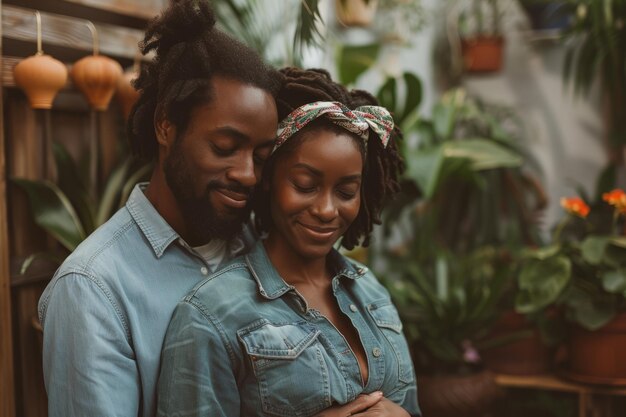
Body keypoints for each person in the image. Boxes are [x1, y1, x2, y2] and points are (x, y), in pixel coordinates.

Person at [37, 1, 282, 416]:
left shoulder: (258, 247)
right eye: (225, 148)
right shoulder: (93, 291)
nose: (248, 174)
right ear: (166, 125)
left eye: (261, 156)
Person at [157, 67, 420, 417]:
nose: (327, 210)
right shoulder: (211, 314)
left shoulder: (370, 293)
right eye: (305, 185)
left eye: (345, 191)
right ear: (269, 179)